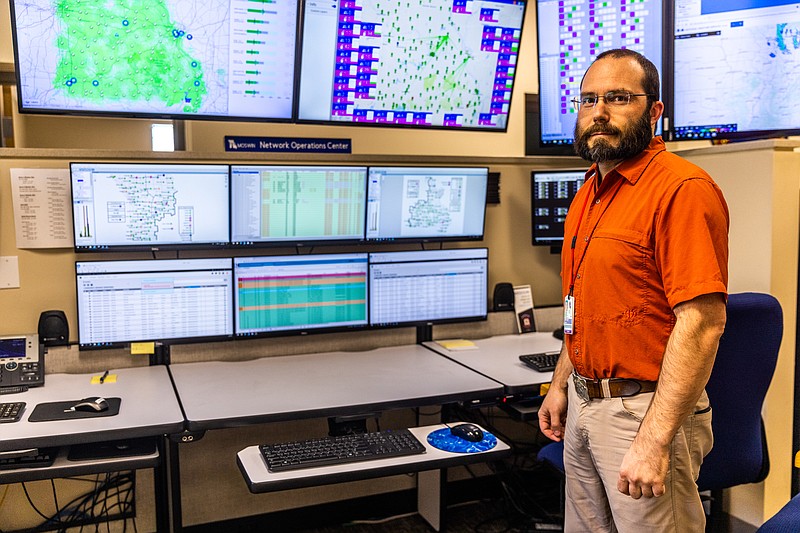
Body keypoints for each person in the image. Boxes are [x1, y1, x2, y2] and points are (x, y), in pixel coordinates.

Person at [537, 48, 729, 532]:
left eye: (619, 98)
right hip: (584, 404)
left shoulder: (681, 189)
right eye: (588, 100)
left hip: (642, 412)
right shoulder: (589, 192)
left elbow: (702, 324)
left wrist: (653, 440)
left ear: (655, 111)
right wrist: (561, 384)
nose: (598, 112)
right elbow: (579, 308)